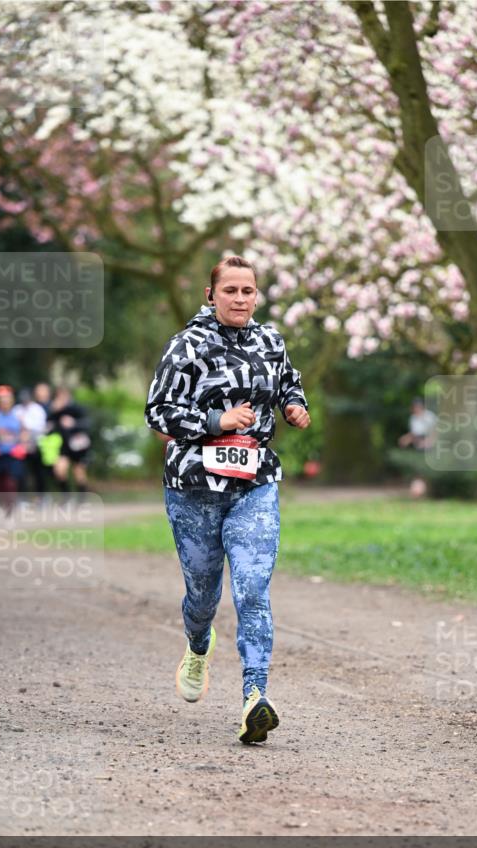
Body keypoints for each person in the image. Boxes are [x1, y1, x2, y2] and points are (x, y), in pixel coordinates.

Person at [145, 255, 310, 744]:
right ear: (211, 294)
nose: (241, 299)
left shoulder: (270, 341)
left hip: (253, 483)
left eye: (248, 291)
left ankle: (254, 698)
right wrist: (217, 423)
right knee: (203, 595)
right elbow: (158, 411)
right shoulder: (187, 346)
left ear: (257, 295)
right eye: (231, 290)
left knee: (253, 590)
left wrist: (294, 405)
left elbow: (287, 382)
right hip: (194, 487)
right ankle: (198, 644)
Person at [0, 385, 28, 514]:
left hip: (13, 454)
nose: (5, 404)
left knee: (10, 481)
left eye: (7, 401)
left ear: (11, 401)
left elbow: (25, 433)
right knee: (0, 483)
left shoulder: (18, 416)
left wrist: (22, 443)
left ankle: (10, 507)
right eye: (2, 402)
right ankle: (4, 505)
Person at [47, 387, 92, 493]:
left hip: (79, 445)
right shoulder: (56, 411)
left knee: (79, 473)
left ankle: (81, 500)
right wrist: (53, 412)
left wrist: (74, 423)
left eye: (63, 396)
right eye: (59, 396)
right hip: (64, 446)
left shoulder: (77, 408)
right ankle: (66, 497)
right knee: (59, 471)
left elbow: (88, 423)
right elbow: (49, 426)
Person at [14, 387, 48, 497]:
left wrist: (25, 425)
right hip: (21, 445)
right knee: (21, 473)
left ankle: (41, 497)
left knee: (38, 473)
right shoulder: (17, 409)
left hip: (36, 445)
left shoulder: (37, 409)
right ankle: (21, 497)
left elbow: (40, 427)